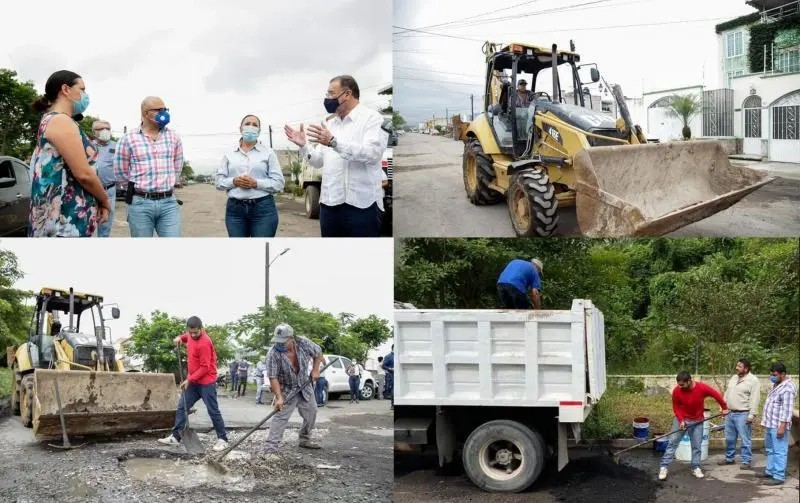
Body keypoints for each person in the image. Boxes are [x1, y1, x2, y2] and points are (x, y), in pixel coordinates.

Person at [284, 75, 387, 237]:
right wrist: (304, 145)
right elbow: (318, 161)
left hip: (362, 205)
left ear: (347, 94)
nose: (327, 98)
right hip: (330, 205)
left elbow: (372, 154)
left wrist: (333, 142)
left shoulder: (372, 119)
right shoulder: (330, 124)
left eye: (331, 93)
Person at [28, 70, 111, 237]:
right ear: (65, 89)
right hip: (62, 221)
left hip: (60, 218)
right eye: (82, 89)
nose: (85, 95)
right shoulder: (60, 121)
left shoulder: (53, 119)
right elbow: (83, 174)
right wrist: (105, 200)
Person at [114, 96, 183, 237]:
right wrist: (138, 189)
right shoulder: (128, 138)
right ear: (145, 113)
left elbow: (177, 166)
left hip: (168, 203)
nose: (164, 113)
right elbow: (121, 172)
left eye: (165, 109)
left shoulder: (173, 137)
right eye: (159, 110)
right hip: (140, 204)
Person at [158, 316, 229, 451]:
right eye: (191, 332)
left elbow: (205, 367)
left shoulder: (204, 343)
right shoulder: (190, 335)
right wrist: (180, 338)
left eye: (196, 332)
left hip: (206, 382)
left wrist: (188, 380)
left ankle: (223, 439)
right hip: (194, 381)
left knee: (212, 410)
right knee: (182, 407)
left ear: (201, 329)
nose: (193, 335)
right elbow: (186, 337)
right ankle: (176, 437)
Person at [216, 115, 285, 237]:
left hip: (263, 209)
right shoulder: (229, 154)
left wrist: (256, 183)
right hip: (235, 210)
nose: (251, 127)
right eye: (247, 124)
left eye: (255, 125)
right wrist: (234, 181)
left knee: (262, 251)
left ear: (259, 130)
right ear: (240, 128)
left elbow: (279, 183)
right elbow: (219, 182)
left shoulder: (268, 152)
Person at [264, 323, 324, 453]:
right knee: (280, 416)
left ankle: (304, 439)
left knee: (311, 413)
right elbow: (273, 377)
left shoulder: (303, 343)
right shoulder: (273, 353)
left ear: (291, 338)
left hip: (304, 384)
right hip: (286, 388)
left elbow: (318, 353)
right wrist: (279, 398)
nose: (279, 345)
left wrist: (315, 369)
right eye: (277, 342)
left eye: (283, 342)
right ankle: (270, 448)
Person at [658, 371, 728, 481]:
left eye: (682, 384)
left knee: (696, 446)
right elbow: (676, 407)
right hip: (682, 420)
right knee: (672, 443)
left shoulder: (702, 388)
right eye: (678, 384)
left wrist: (724, 407)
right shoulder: (677, 391)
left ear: (689, 381)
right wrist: (681, 420)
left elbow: (716, 395)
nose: (679, 387)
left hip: (698, 421)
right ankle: (664, 467)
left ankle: (695, 467)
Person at [719, 358, 760, 469]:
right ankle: (729, 458)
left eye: (739, 366)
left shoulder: (753, 380)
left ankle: (746, 461)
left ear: (746, 369)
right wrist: (723, 407)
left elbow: (755, 399)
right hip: (730, 413)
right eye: (737, 366)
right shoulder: (734, 377)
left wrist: (751, 415)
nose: (737, 368)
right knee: (729, 438)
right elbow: (727, 393)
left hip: (743, 414)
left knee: (745, 439)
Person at [760, 362, 796, 486]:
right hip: (770, 423)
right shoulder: (775, 384)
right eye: (771, 374)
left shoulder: (788, 388)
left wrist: (782, 426)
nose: (772, 377)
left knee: (779, 450)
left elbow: (787, 409)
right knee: (770, 449)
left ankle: (779, 476)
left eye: (774, 375)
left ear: (783, 374)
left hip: (778, 425)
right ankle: (770, 471)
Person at [91, 119, 117, 237]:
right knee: (87, 223)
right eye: (101, 129)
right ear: (93, 132)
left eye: (107, 128)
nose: (105, 131)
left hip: (109, 190)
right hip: (89, 191)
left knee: (105, 226)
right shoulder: (87, 146)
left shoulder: (117, 146)